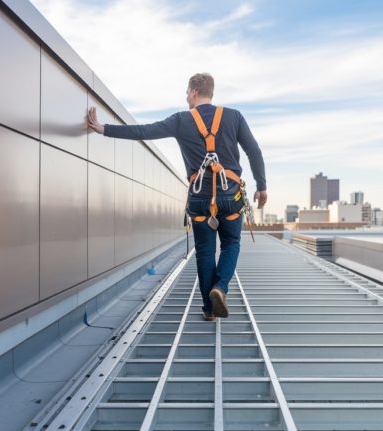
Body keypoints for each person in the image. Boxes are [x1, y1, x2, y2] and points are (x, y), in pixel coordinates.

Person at [87, 73, 267, 321]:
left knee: (204, 251)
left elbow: (145, 131)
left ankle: (208, 309)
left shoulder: (181, 120)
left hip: (200, 199)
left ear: (193, 91)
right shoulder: (234, 116)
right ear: (210, 92)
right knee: (231, 244)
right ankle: (220, 287)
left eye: (186, 93)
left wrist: (104, 129)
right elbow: (253, 151)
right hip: (230, 197)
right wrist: (262, 186)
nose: (186, 97)